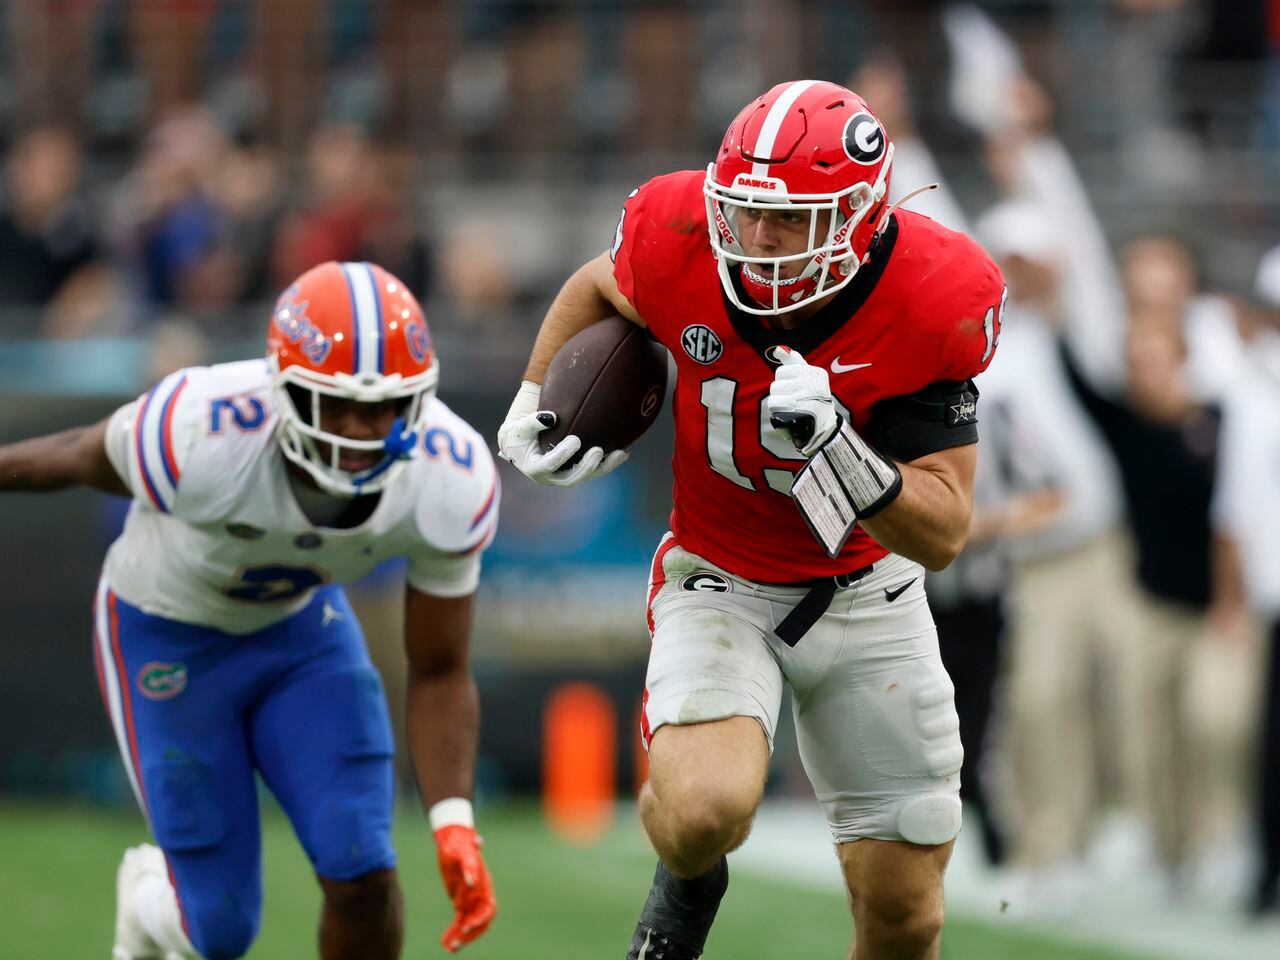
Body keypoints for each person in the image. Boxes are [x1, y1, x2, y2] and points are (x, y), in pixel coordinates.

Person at [498, 80, 1004, 960]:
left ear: (859, 218)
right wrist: (535, 396)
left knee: (905, 916)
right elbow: (599, 283)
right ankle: (687, 881)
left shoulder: (932, 294)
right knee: (702, 812)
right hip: (720, 578)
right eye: (743, 211)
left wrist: (844, 452)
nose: (757, 240)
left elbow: (946, 531)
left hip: (867, 592)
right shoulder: (679, 232)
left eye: (790, 221)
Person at [0, 261, 498, 960]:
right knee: (222, 929)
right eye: (336, 405)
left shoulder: (450, 476)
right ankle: (148, 900)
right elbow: (74, 455)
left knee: (364, 870)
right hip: (165, 631)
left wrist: (452, 821)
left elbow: (441, 668)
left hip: (301, 638)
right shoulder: (202, 427)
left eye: (382, 406)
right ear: (286, 391)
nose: (359, 434)